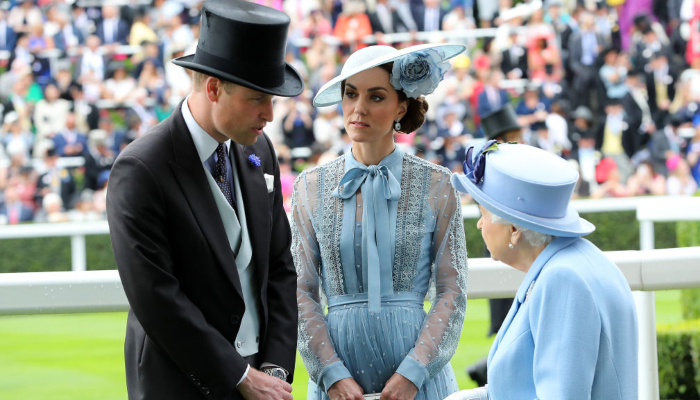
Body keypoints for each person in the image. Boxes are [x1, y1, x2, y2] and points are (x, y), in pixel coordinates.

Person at [106, 1, 303, 399]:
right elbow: (156, 297)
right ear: (213, 88)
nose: (269, 113)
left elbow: (280, 267)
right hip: (178, 383)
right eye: (256, 98)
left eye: (273, 99)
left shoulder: (259, 150)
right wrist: (239, 377)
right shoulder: (143, 168)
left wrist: (275, 369)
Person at [293, 43, 468, 400]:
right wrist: (330, 373)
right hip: (338, 379)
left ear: (401, 107)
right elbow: (300, 291)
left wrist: (414, 372)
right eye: (351, 94)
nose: (358, 109)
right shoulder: (308, 187)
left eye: (375, 97)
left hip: (420, 378)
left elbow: (452, 290)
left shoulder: (437, 185)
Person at [448, 142, 638, 399]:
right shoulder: (575, 261)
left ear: (514, 229)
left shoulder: (563, 279)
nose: (480, 224)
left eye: (484, 213)